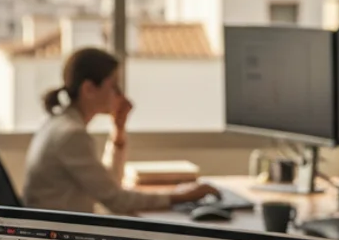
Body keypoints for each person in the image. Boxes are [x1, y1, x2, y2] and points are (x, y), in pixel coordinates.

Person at [23, 47, 217, 215]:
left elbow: (110, 184)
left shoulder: (59, 124)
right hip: (64, 239)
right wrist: (181, 197)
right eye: (114, 85)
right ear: (89, 89)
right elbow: (117, 201)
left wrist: (119, 129)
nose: (121, 95)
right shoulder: (71, 135)